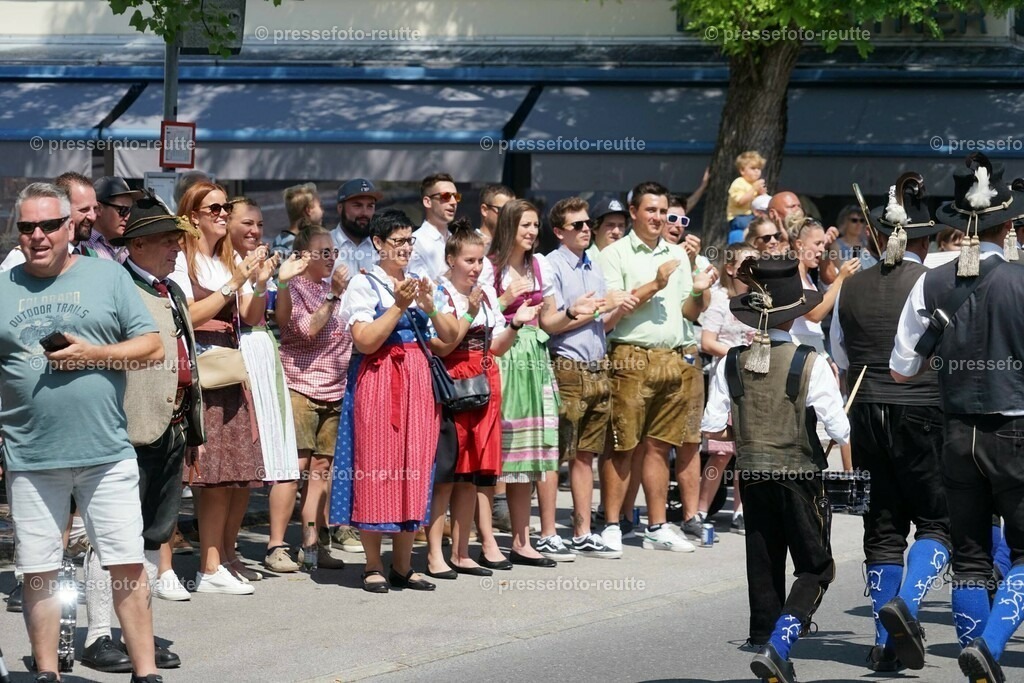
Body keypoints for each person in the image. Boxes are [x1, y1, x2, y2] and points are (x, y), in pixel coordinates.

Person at [0, 182, 163, 683]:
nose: (38, 236)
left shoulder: (107, 276)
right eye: (28, 227)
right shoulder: (2, 288)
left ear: (70, 227)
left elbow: (152, 346)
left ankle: (146, 672)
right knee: (39, 569)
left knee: (126, 563)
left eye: (50, 225)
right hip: (30, 455)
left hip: (105, 451)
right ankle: (48, 673)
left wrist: (91, 353)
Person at [890, 153, 1024, 683]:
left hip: (954, 431)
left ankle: (977, 663)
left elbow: (902, 370)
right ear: (1008, 224)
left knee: (969, 555)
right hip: (1014, 429)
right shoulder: (1021, 280)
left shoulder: (931, 283)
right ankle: (988, 647)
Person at [701, 253, 850, 683]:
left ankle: (764, 636)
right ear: (794, 313)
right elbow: (840, 430)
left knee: (764, 559)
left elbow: (712, 426)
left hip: (752, 473)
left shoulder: (731, 360)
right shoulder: (811, 361)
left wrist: (747, 433)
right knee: (816, 566)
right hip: (800, 475)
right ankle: (779, 644)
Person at [79, 191, 207, 672]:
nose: (177, 248)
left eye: (177, 240)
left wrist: (190, 429)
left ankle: (138, 633)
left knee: (154, 536)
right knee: (110, 538)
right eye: (167, 241)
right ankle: (96, 637)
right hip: (125, 431)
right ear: (138, 244)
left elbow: (184, 359)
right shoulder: (115, 287)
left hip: (170, 427)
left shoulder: (171, 290)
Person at [830, 172, 949, 673]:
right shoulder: (938, 283)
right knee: (939, 523)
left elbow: (839, 351)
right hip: (922, 410)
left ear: (879, 237)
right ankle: (909, 605)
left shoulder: (850, 285)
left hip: (863, 412)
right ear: (923, 238)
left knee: (882, 530)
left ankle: (884, 641)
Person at [329, 209, 459, 593]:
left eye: (409, 240)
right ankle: (373, 564)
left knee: (415, 466)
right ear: (378, 244)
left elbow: (448, 339)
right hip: (379, 379)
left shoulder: (420, 283)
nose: (405, 248)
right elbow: (365, 341)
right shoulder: (364, 284)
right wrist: (400, 307)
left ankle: (402, 565)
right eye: (398, 241)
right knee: (377, 465)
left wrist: (430, 306)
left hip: (417, 382)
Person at [597, 181, 717, 553]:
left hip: (671, 357)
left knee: (658, 446)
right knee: (623, 445)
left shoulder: (678, 255)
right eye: (651, 210)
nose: (658, 218)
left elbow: (689, 312)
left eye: (663, 212)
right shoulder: (614, 253)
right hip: (629, 356)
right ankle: (613, 523)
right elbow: (612, 308)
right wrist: (656, 283)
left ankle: (657, 524)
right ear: (633, 212)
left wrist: (698, 290)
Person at [168, 181, 270, 596]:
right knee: (205, 475)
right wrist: (234, 284)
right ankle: (204, 566)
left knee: (229, 474)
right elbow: (187, 315)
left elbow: (251, 315)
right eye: (215, 209)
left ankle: (218, 560)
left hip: (228, 369)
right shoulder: (180, 259)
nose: (223, 214)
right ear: (192, 216)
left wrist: (259, 282)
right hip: (200, 373)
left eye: (226, 207)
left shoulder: (227, 260)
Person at [424, 219, 535, 577]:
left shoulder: (486, 293)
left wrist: (516, 323)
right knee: (448, 472)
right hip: (454, 380)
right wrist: (470, 310)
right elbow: (442, 346)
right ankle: (434, 553)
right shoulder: (439, 292)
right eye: (469, 261)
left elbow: (498, 347)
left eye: (479, 261)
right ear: (451, 259)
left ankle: (460, 551)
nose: (476, 268)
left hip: (486, 378)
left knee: (474, 471)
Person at [224, 199, 314, 574]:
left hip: (264, 349)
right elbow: (248, 315)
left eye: (260, 224)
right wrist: (261, 282)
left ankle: (268, 546)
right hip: (237, 351)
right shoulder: (224, 263)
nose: (255, 231)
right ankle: (222, 553)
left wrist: (281, 282)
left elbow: (281, 317)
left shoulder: (263, 261)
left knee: (274, 452)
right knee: (238, 456)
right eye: (247, 222)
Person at [544, 197, 637, 559]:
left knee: (586, 455)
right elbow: (552, 323)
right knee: (558, 453)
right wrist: (599, 306)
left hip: (598, 365)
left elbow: (599, 323)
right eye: (577, 225)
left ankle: (583, 531)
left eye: (587, 224)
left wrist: (614, 308)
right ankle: (550, 532)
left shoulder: (593, 266)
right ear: (559, 232)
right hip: (567, 366)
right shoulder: (550, 265)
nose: (586, 229)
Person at [276, 224, 351, 572]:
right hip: (301, 387)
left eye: (334, 252)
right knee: (295, 468)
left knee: (322, 470)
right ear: (304, 256)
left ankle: (311, 544)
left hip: (336, 388)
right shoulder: (295, 288)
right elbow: (305, 330)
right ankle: (276, 546)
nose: (332, 258)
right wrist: (334, 296)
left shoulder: (332, 287)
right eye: (324, 252)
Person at [657, 195, 715, 542]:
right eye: (672, 219)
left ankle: (692, 514)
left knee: (691, 439)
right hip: (654, 353)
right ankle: (655, 516)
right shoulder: (650, 255)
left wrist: (694, 264)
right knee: (655, 443)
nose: (678, 226)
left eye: (683, 221)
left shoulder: (698, 258)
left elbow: (702, 305)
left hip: (688, 352)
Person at [698, 243, 758, 534]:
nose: (751, 270)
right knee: (721, 453)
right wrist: (737, 354)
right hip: (725, 380)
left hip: (754, 383)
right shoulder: (720, 300)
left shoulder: (760, 302)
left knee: (747, 449)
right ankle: (700, 510)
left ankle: (741, 510)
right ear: (731, 268)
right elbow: (707, 342)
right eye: (746, 263)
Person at [1, 172, 97, 272]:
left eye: (95, 208)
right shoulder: (23, 258)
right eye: (84, 210)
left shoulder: (91, 255)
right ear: (63, 209)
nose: (93, 217)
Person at [83, 176, 142, 261]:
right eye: (123, 210)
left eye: (130, 210)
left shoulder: (128, 246)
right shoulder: (84, 246)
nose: (128, 217)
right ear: (98, 208)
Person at [331, 178, 382, 276]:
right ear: (340, 208)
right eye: (357, 206)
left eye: (370, 206)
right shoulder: (325, 245)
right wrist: (333, 290)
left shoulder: (380, 246)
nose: (365, 213)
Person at [271, 183, 324, 261]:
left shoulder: (307, 241)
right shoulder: (283, 245)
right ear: (308, 210)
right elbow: (278, 273)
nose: (323, 211)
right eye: (320, 206)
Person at [727, 151, 768, 241]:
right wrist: (753, 189)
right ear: (742, 170)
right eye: (753, 168)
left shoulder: (755, 184)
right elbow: (740, 201)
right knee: (756, 224)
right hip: (739, 217)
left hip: (752, 216)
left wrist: (762, 194)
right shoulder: (739, 183)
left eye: (759, 168)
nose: (757, 171)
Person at [585, 197, 628, 261]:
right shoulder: (584, 260)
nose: (616, 231)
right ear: (595, 228)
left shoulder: (631, 259)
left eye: (621, 226)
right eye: (610, 225)